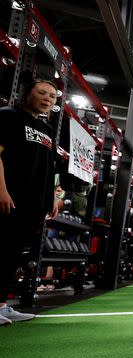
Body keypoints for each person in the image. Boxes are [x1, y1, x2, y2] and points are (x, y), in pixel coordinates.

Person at [0, 79, 60, 325]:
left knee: (13, 254)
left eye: (53, 96)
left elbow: (49, 166)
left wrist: (53, 196)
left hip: (34, 202)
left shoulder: (46, 130)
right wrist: (1, 190)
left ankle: (2, 305)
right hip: (10, 197)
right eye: (42, 93)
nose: (48, 99)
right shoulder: (8, 116)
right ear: (27, 93)